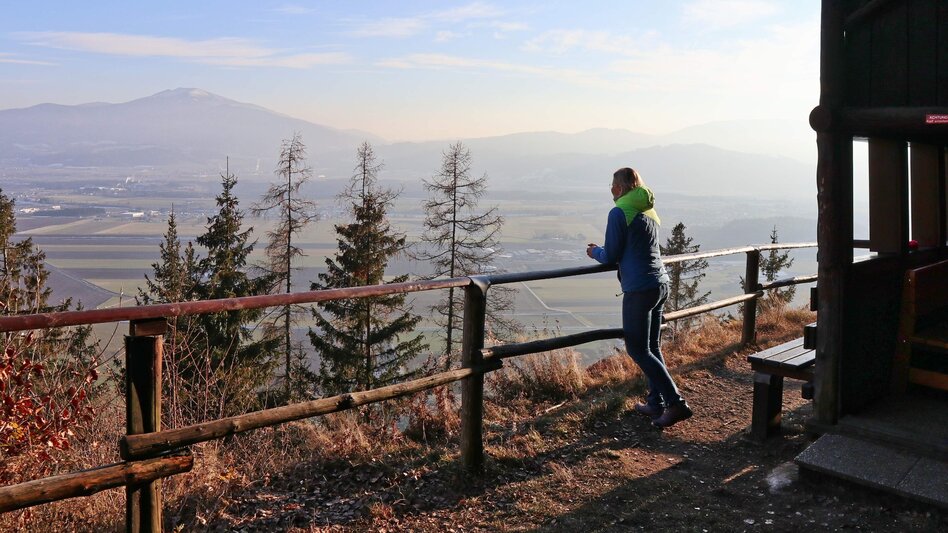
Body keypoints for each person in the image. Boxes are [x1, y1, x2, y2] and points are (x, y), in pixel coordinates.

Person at [586, 167, 692, 428]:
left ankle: (675, 403)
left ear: (620, 188)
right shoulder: (648, 211)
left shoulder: (619, 212)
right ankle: (656, 403)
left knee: (637, 349)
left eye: (612, 186)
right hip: (659, 284)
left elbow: (610, 255)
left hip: (639, 288)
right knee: (652, 347)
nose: (611, 191)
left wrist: (593, 251)